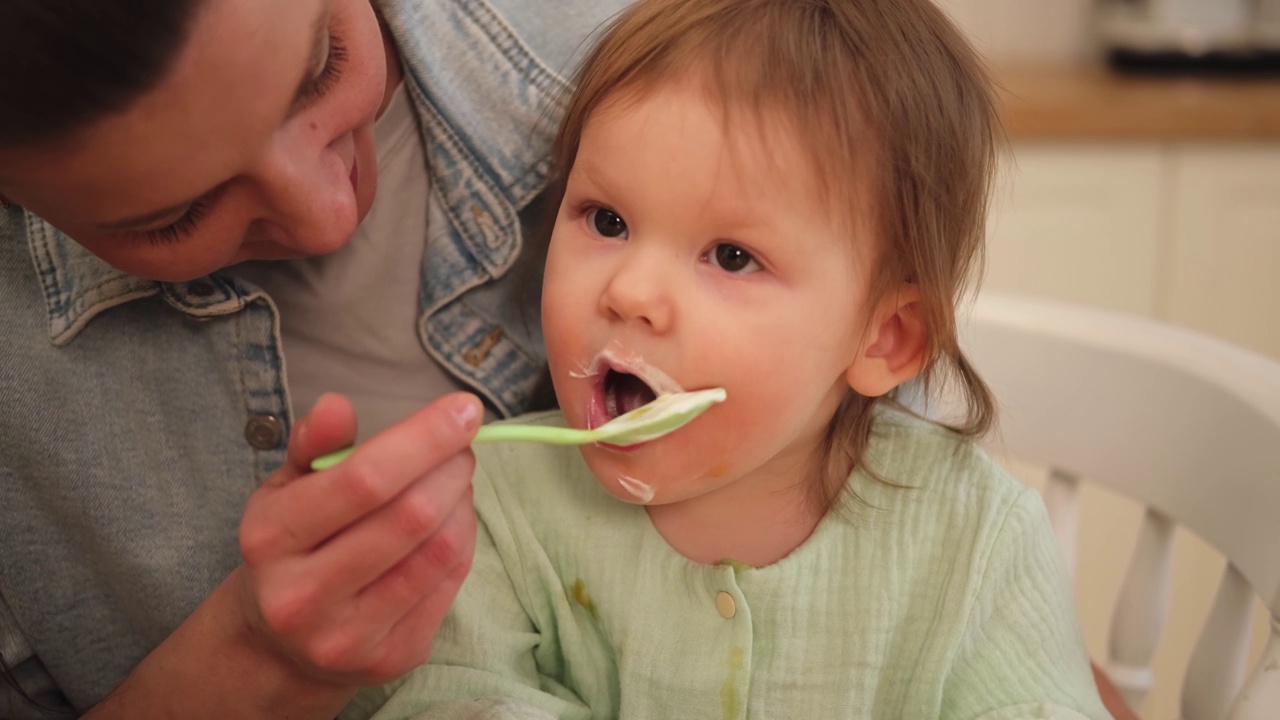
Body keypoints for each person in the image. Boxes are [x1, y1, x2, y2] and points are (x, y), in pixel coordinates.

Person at [342, 0, 1120, 718]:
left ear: (884, 339)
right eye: (606, 219)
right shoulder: (491, 519)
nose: (631, 291)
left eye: (732, 257)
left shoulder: (977, 541)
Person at [0, 0, 628, 717]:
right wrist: (252, 661)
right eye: (178, 218)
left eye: (323, 69)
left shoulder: (654, 35)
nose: (327, 215)